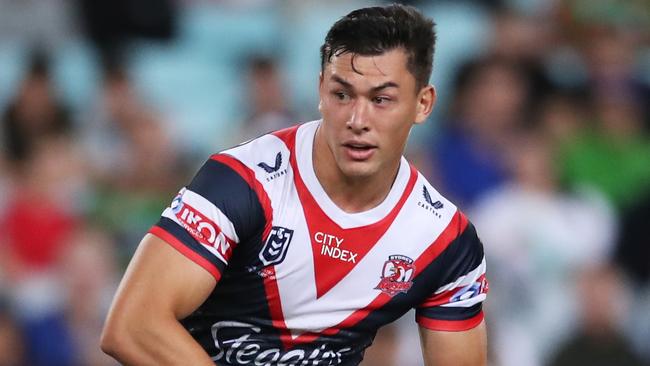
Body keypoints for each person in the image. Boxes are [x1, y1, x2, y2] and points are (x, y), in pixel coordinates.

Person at [101, 4, 489, 365]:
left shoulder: (447, 242)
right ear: (320, 90)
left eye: (381, 99)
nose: (357, 118)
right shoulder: (243, 181)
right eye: (342, 94)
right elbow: (132, 326)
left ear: (423, 104)